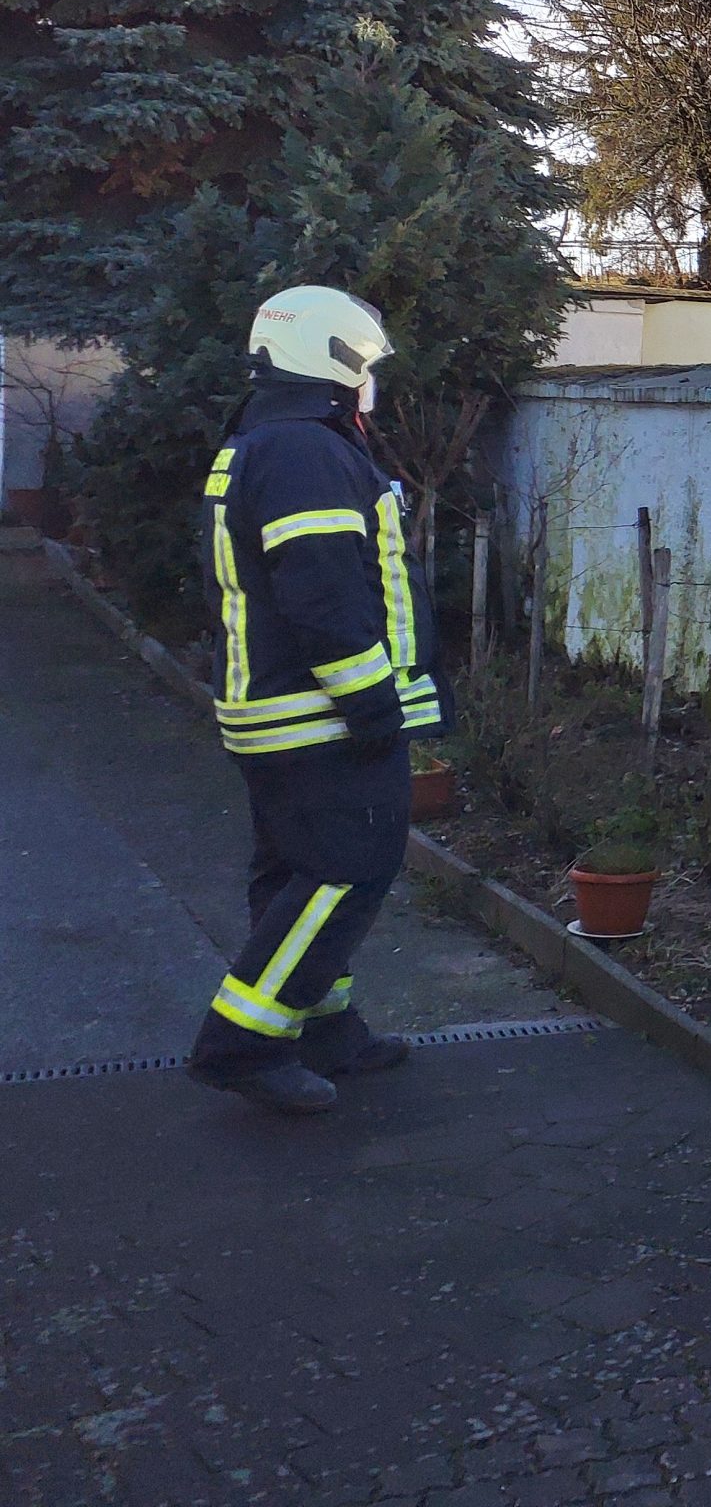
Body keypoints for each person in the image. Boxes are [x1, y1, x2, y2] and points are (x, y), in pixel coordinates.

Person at [185, 286, 442, 1114]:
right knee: (345, 870)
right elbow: (323, 596)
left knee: (298, 874)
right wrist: (372, 704)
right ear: (332, 360)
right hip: (318, 717)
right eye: (365, 364)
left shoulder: (271, 439)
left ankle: (325, 1029)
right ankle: (242, 1046)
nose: (371, 382)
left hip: (277, 712)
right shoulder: (305, 451)